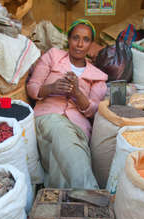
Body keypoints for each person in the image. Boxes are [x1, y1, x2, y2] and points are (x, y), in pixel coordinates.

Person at [27, 19, 108, 189]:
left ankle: (61, 199)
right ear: (68, 40)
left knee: (66, 153)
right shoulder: (53, 56)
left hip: (78, 126)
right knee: (65, 140)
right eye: (75, 38)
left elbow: (93, 110)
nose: (79, 44)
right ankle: (90, 193)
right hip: (48, 117)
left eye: (85, 40)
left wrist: (77, 93)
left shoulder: (98, 76)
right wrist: (51, 88)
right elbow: (32, 87)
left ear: (91, 44)